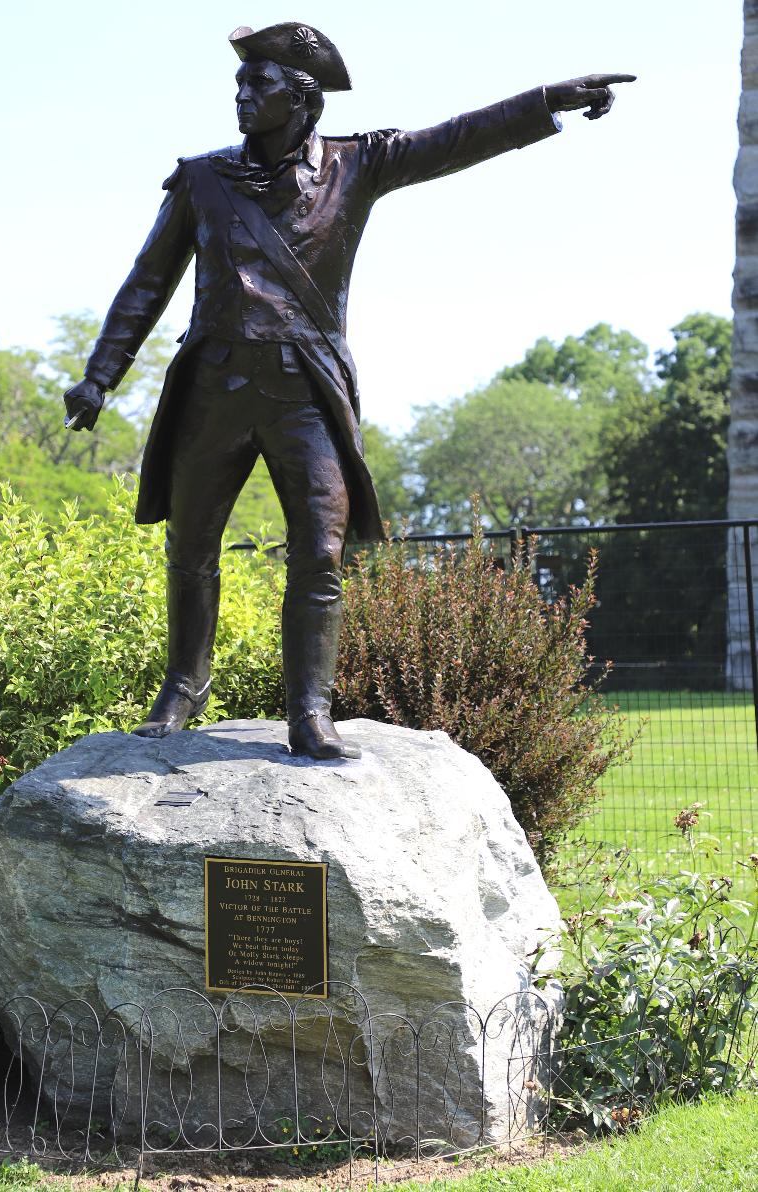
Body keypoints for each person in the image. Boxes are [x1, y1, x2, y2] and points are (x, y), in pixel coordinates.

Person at [63, 22, 634, 760]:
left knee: (320, 553)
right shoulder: (201, 180)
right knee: (191, 546)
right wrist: (99, 376)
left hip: (307, 392)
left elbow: (456, 138)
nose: (241, 95)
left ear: (303, 100)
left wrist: (547, 102)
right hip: (213, 387)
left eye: (258, 84)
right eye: (239, 83)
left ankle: (309, 711)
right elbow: (145, 285)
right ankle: (183, 687)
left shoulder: (359, 164)